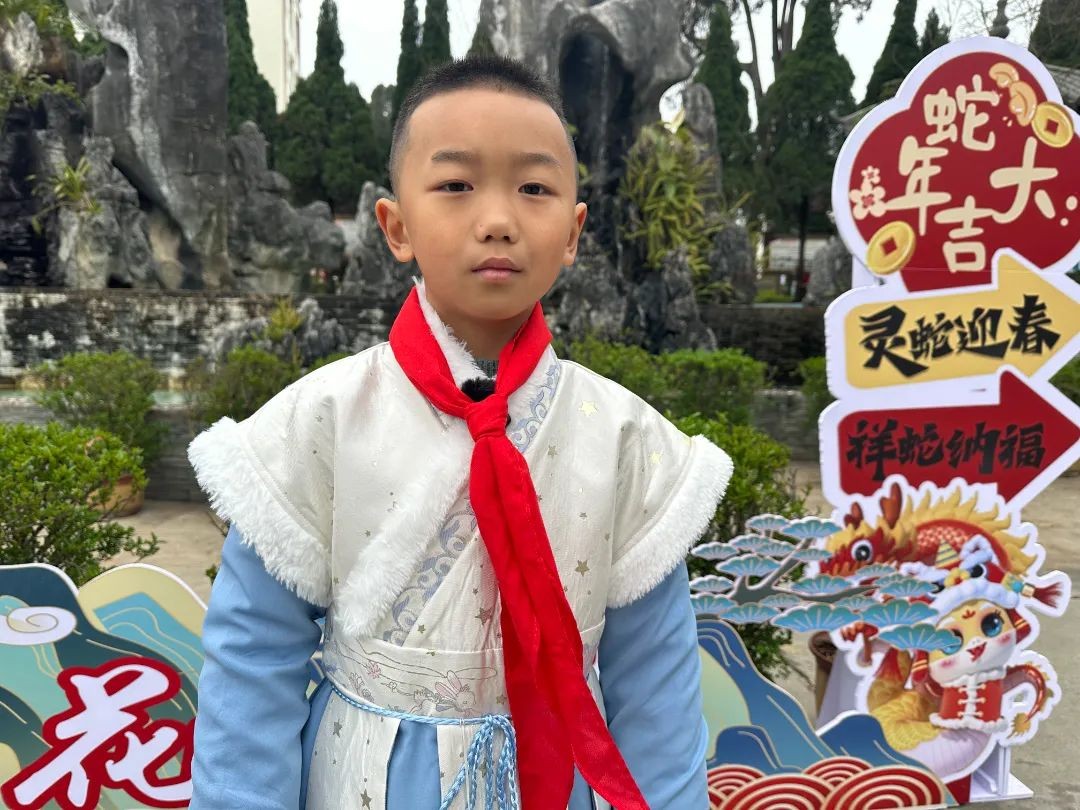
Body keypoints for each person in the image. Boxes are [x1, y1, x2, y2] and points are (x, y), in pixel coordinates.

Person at [188, 54, 734, 810]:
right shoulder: (319, 420)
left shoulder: (625, 440)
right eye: (455, 185)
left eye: (534, 188)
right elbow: (253, 662)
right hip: (360, 784)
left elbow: (658, 691)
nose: (498, 219)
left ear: (574, 232)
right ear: (395, 226)